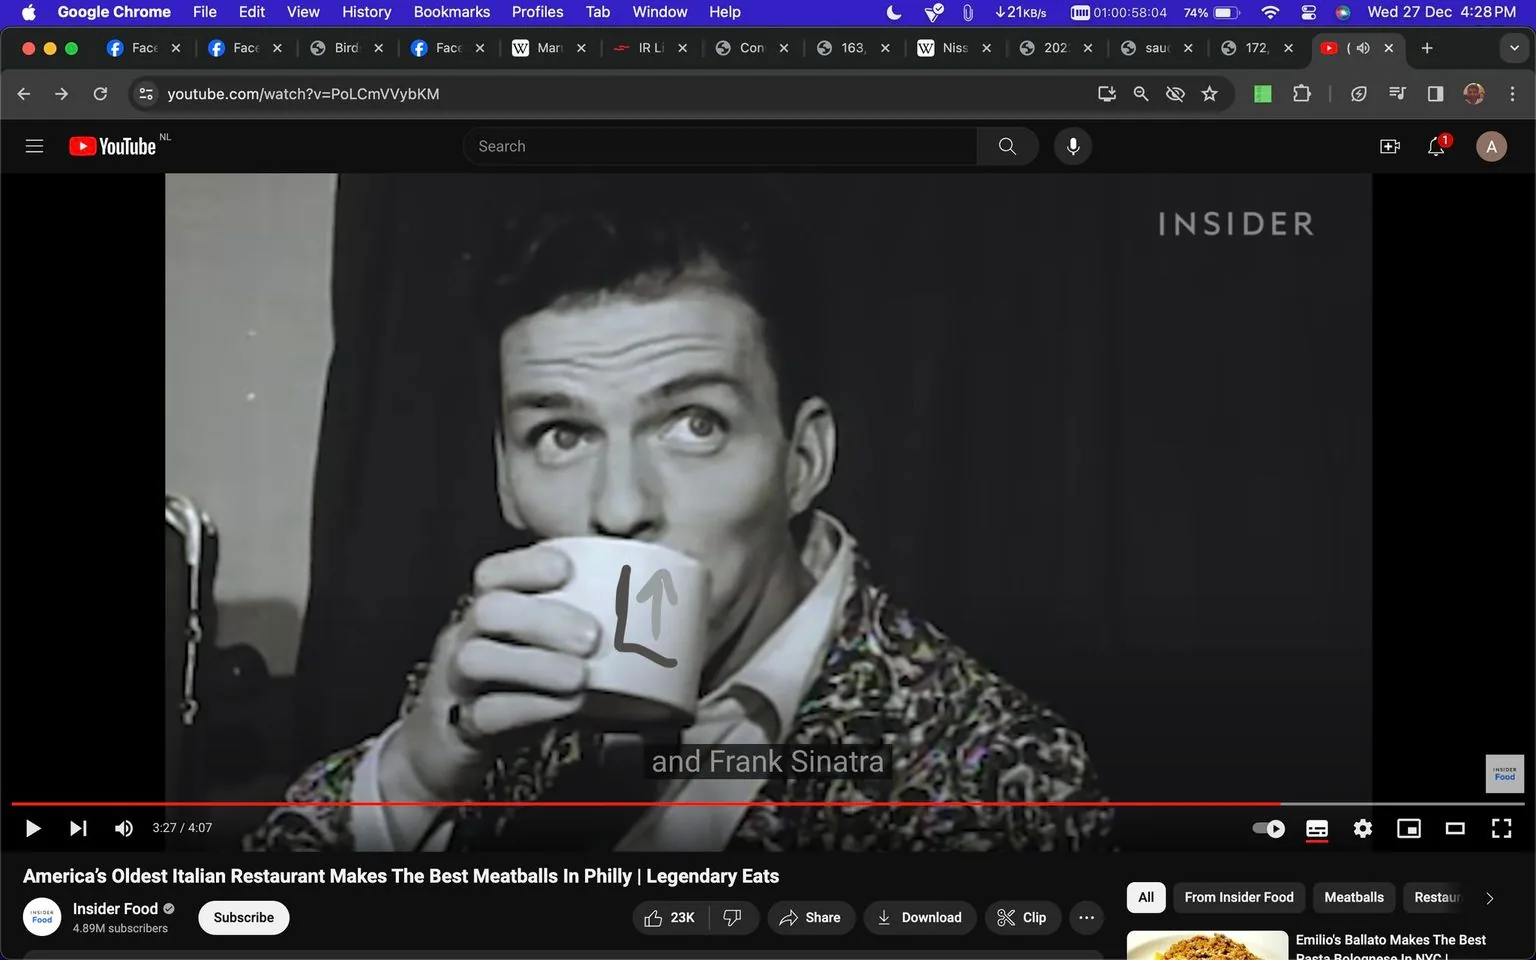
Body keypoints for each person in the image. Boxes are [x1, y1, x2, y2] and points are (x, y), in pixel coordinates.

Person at [246, 175, 1111, 853]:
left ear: (801, 460)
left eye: (694, 424)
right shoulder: (495, 669)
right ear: (505, 481)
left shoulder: (1005, 775)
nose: (619, 508)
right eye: (561, 433)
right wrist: (415, 775)